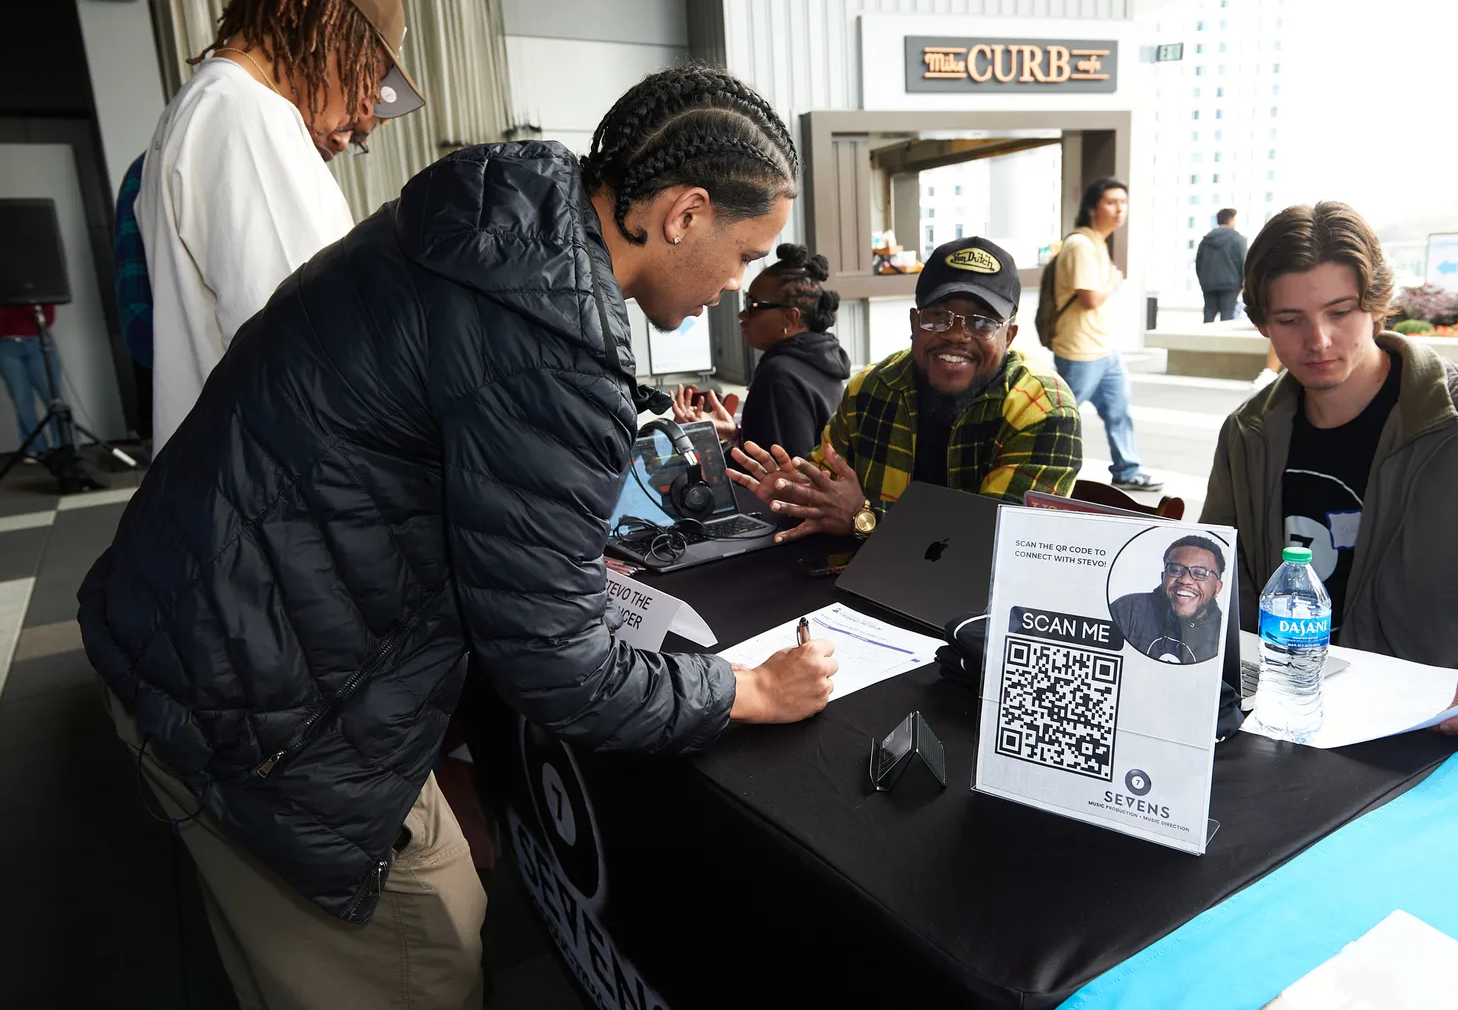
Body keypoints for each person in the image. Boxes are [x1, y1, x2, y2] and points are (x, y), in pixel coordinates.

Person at [78, 64, 837, 1010]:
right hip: (265, 719)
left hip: (182, 629)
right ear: (683, 214)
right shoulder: (549, 343)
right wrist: (746, 690)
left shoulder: (485, 228)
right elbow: (556, 666)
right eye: (744, 254)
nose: (736, 290)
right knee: (425, 958)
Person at [1201, 201, 1458, 735]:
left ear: (1375, 305)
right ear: (1262, 323)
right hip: (1283, 724)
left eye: (1340, 312)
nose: (1318, 341)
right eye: (1290, 320)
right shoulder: (1247, 434)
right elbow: (1218, 581)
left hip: (1441, 731)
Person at [136, 0, 425, 449]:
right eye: (372, 71)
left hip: (239, 471)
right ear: (321, 21)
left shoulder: (215, 105)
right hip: (270, 477)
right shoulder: (241, 113)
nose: (365, 106)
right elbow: (316, 349)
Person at [729, 236, 1083, 543]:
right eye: (938, 317)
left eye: (982, 322)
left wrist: (863, 519)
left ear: (1009, 336)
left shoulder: (1043, 409)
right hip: (863, 585)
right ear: (915, 324)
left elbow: (995, 547)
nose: (957, 335)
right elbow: (825, 483)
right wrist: (797, 489)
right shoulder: (871, 389)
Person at [670, 243, 850, 460]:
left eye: (753, 305)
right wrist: (734, 433)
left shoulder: (779, 374)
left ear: (790, 318)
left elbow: (776, 476)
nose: (742, 315)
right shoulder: (820, 362)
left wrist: (702, 441)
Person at [1050, 177, 1163, 492]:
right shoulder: (1080, 245)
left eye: (1123, 202)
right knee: (1061, 419)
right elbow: (1089, 298)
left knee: (1118, 410)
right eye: (1111, 202)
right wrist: (1114, 281)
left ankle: (1127, 470)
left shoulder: (1097, 243)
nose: (1119, 209)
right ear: (1091, 208)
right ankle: (1044, 471)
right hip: (1079, 351)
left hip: (1102, 348)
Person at [1110, 535, 1226, 664]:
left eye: (1199, 573)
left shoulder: (1226, 636)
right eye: (1175, 570)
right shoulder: (1127, 610)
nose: (1185, 580)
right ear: (1163, 577)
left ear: (1217, 587)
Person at [0, 304, 62, 457]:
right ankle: (35, 448)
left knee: (53, 398)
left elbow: (47, 319)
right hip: (6, 345)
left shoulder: (34, 283)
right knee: (22, 402)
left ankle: (63, 445)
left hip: (37, 341)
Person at [1197, 207, 1248, 324]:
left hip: (1209, 284)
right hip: (1230, 285)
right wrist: (1244, 283)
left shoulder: (1205, 240)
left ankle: (1205, 341)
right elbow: (1244, 262)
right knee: (1227, 319)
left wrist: (1203, 282)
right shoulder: (1238, 239)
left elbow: (1199, 264)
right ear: (1230, 220)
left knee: (1208, 317)